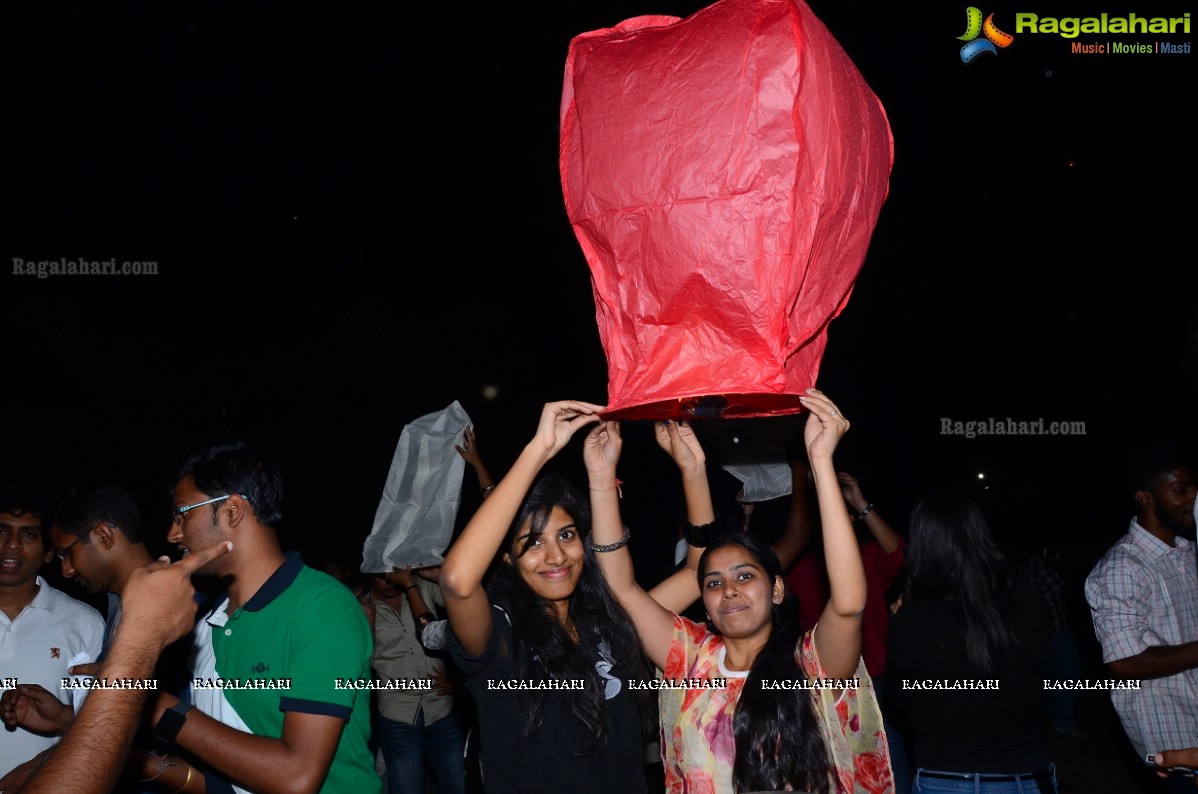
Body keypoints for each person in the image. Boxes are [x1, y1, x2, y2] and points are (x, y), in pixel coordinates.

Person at [591, 389, 892, 794]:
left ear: (778, 589)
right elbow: (621, 590)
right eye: (713, 583)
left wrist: (820, 463)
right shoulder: (692, 662)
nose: (728, 590)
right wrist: (600, 478)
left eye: (745, 576)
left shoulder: (809, 667)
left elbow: (850, 603)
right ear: (707, 604)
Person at [440, 401, 652, 793]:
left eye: (567, 535)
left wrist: (604, 476)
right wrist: (539, 449)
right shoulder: (502, 636)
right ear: (506, 556)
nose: (556, 556)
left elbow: (694, 574)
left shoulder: (605, 619)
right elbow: (456, 581)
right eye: (533, 542)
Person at [151, 442, 380, 794]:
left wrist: (158, 707)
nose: (173, 533)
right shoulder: (208, 622)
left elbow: (296, 777)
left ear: (231, 511)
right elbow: (229, 778)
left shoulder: (322, 607)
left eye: (182, 513)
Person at [19, 542, 233, 794]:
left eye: (67, 553)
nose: (65, 570)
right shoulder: (115, 611)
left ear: (103, 535)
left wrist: (132, 665)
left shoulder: (197, 620)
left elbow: (280, 777)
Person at [886, 491, 1055, 793]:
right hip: (1030, 777)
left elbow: (900, 699)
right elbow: (1041, 682)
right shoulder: (1030, 603)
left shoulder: (913, 618)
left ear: (923, 547)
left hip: (949, 778)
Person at [1085, 443, 1198, 794]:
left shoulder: (1187, 550)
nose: (1193, 497)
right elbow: (1124, 662)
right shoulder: (1122, 568)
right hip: (1173, 731)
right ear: (1146, 499)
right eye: (1181, 489)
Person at [0, 483, 105, 791]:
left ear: (49, 553)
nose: (12, 545)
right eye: (2, 531)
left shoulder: (84, 622)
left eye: (29, 534)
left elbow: (102, 723)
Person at [370, 564, 465, 794]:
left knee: (459, 786)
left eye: (395, 573)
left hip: (441, 709)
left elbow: (464, 608)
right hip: (397, 714)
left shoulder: (421, 588)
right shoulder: (362, 607)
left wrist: (458, 682)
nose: (391, 580)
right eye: (382, 576)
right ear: (369, 575)